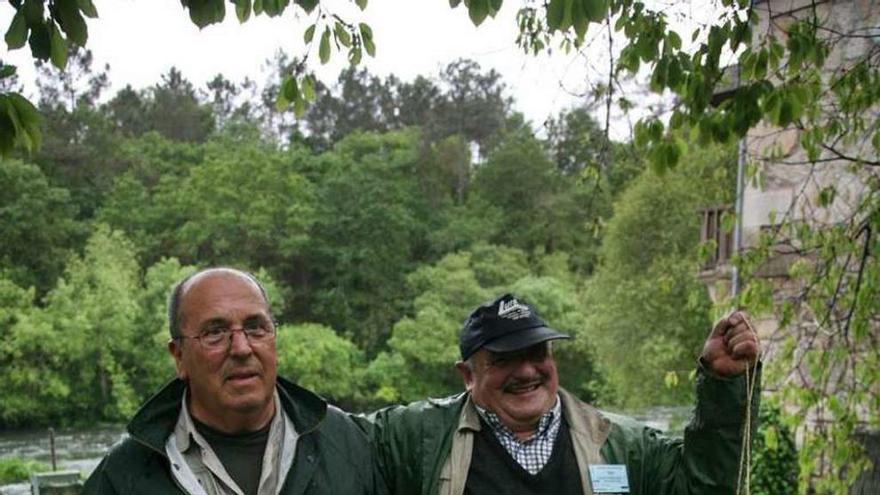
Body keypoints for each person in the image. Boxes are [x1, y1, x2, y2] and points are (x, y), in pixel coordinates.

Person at [367, 293, 761, 495]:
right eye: (504, 359)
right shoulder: (414, 438)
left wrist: (722, 385)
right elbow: (328, 447)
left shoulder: (623, 446)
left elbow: (705, 487)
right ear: (468, 374)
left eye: (537, 353)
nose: (526, 371)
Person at [83, 267, 383, 495]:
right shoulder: (123, 477)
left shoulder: (345, 443)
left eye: (256, 327)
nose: (241, 348)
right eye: (215, 332)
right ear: (179, 356)